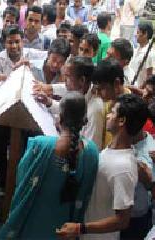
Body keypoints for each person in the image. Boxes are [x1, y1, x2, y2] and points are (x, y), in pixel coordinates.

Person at [0, 91, 99, 239]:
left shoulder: (39, 146)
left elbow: (22, 182)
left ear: (60, 118)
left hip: (33, 225)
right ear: (84, 120)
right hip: (65, 229)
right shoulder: (92, 152)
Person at [57, 94, 147, 240]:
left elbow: (123, 220)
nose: (108, 116)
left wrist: (81, 228)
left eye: (112, 113)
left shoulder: (122, 167)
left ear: (122, 121)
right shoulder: (111, 151)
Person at [129, 21, 155, 88]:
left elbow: (149, 76)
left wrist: (140, 89)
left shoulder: (150, 54)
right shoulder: (136, 50)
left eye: (138, 32)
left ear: (145, 34)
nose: (136, 35)